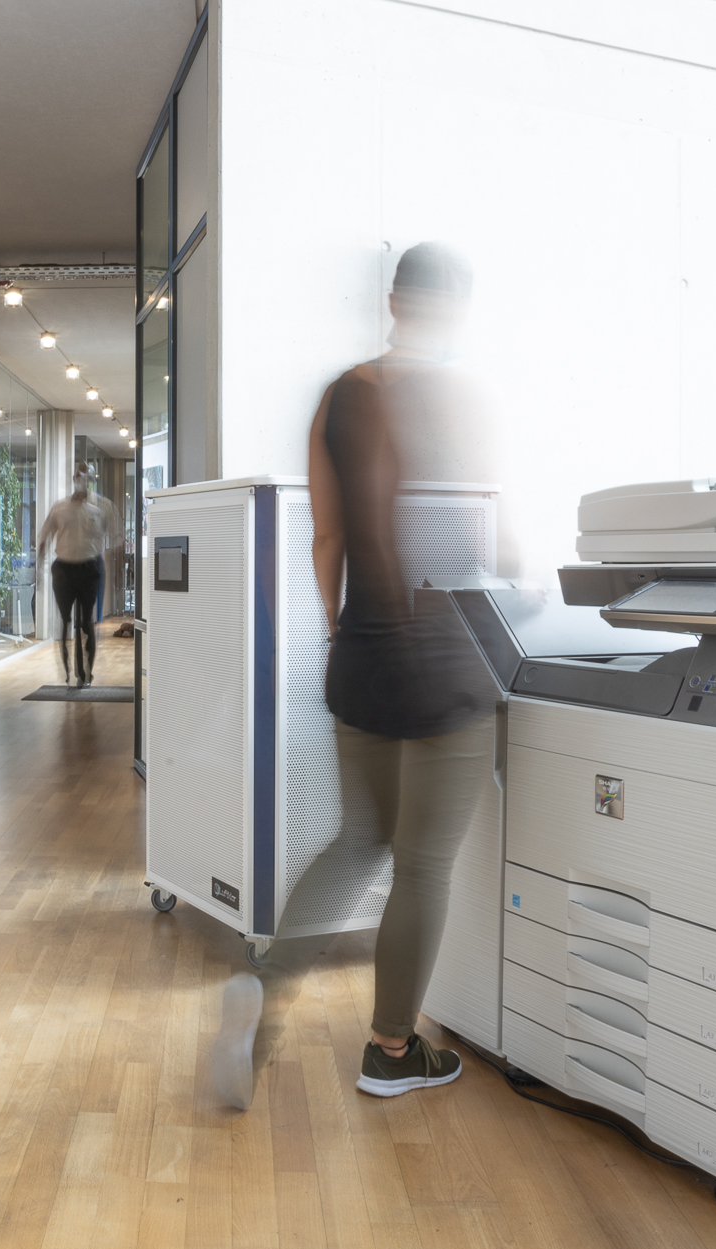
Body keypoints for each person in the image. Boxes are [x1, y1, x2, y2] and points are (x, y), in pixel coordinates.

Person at [211, 242, 503, 1108]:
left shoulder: (343, 394)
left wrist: (343, 629)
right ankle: (390, 1049)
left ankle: (263, 986)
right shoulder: (464, 400)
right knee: (422, 866)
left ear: (394, 300)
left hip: (367, 652)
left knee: (359, 838)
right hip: (449, 655)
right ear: (456, 309)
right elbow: (490, 536)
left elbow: (328, 537)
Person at [36, 463, 120, 686]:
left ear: (90, 478)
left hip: (89, 568)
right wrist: (39, 568)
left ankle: (86, 674)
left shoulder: (99, 509)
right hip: (64, 569)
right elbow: (44, 536)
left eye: (83, 474)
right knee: (65, 622)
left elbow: (114, 536)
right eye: (76, 474)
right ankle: (68, 671)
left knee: (86, 622)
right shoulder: (60, 508)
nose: (79, 478)